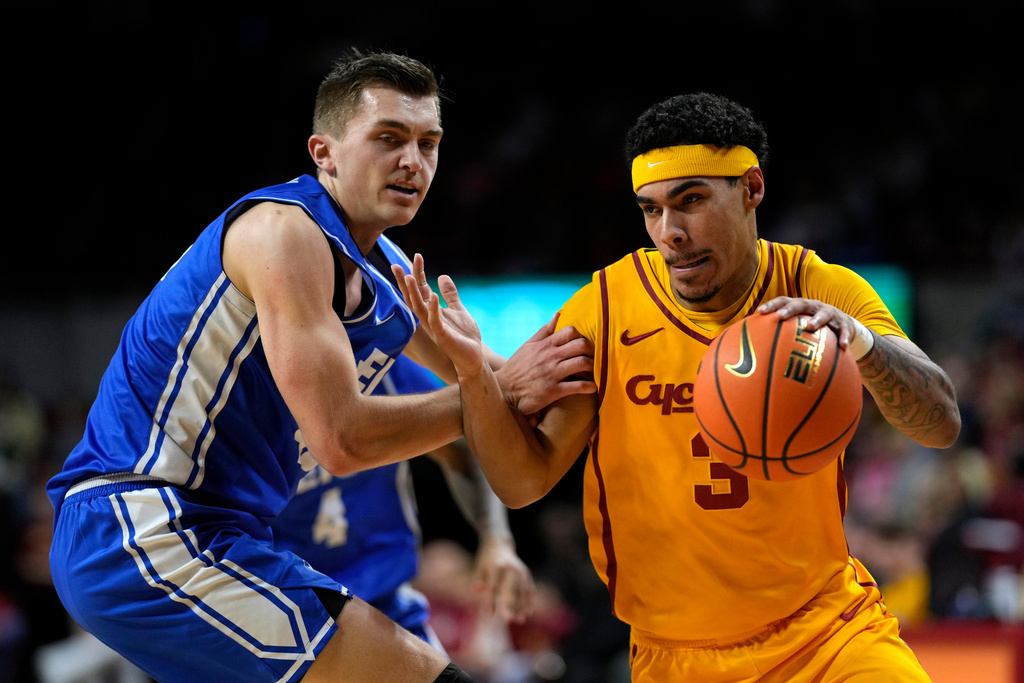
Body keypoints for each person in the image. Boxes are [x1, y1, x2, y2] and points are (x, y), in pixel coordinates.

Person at [45, 49, 592, 683]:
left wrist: (613, 353)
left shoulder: (384, 272)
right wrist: (495, 387)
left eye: (428, 143)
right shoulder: (284, 233)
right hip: (140, 525)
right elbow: (343, 439)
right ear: (323, 153)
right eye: (388, 138)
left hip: (222, 533)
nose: (412, 161)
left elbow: (512, 381)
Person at [396, 92, 962, 682]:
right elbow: (521, 481)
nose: (671, 232)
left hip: (827, 634)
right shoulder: (608, 309)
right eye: (652, 209)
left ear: (751, 189)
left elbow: (941, 422)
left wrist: (864, 346)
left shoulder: (818, 290)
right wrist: (473, 376)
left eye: (690, 201)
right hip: (676, 657)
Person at [270, 353, 535, 653]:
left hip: (384, 599)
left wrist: (496, 539)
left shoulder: (379, 358)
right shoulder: (234, 386)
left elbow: (463, 449)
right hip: (283, 612)